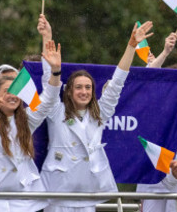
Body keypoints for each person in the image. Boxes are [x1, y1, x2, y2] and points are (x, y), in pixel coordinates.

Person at [41, 21, 153, 212]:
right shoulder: (55, 110)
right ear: (68, 91)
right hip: (58, 194)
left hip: (88, 195)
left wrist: (131, 46)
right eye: (78, 87)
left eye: (88, 87)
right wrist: (46, 37)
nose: (83, 92)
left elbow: (117, 82)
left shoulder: (99, 113)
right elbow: (48, 81)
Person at [0, 41, 63, 212]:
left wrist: (55, 71)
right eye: (7, 91)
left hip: (23, 201)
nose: (12, 96)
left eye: (16, 91)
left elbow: (49, 99)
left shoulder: (27, 119)